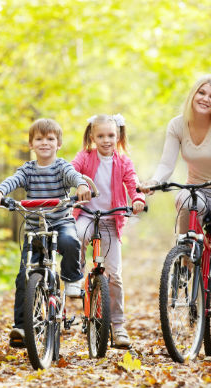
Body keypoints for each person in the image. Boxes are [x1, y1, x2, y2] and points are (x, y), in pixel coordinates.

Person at [140, 74, 211, 353]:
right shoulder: (177, 125)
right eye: (202, 93)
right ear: (193, 94)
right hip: (195, 189)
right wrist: (154, 181)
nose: (206, 99)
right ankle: (185, 260)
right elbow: (167, 164)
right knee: (188, 201)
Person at [0, 118, 91, 348]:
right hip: (35, 227)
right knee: (24, 275)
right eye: (39, 139)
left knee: (70, 241)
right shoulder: (27, 170)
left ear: (59, 144)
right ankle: (22, 328)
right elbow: (12, 181)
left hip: (60, 221)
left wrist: (82, 185)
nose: (45, 143)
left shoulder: (61, 166)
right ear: (31, 144)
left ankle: (73, 278)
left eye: (50, 139)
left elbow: (75, 177)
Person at [71, 114, 146, 348]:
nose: (106, 140)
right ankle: (75, 275)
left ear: (118, 136)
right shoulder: (85, 156)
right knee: (76, 237)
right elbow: (71, 170)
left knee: (114, 275)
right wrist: (79, 183)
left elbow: (132, 182)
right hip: (85, 215)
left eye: (111, 135)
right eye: (101, 136)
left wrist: (137, 198)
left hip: (110, 221)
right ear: (92, 137)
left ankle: (118, 325)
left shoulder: (123, 162)